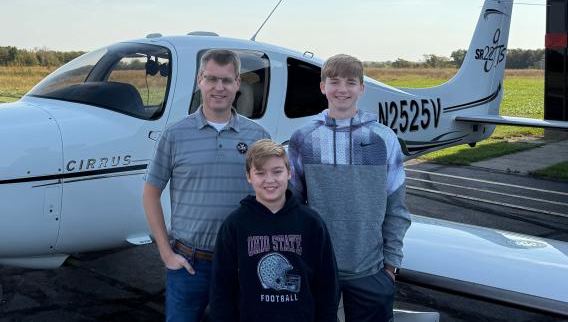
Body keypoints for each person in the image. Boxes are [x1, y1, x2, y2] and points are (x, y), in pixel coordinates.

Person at [143, 49, 271, 322]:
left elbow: (271, 198)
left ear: (238, 83)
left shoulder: (257, 136)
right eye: (211, 79)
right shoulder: (175, 135)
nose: (219, 87)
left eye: (227, 80)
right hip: (189, 263)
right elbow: (150, 194)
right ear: (200, 80)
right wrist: (166, 253)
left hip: (240, 262)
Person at [288, 53, 411, 322]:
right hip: (317, 271)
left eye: (350, 82)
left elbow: (397, 209)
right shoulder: (302, 139)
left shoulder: (384, 139)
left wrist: (390, 268)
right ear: (322, 87)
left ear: (362, 88)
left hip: (370, 272)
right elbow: (292, 208)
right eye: (334, 82)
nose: (342, 89)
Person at [210, 139, 339, 322]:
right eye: (260, 173)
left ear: (289, 173)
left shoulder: (312, 222)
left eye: (277, 172)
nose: (269, 180)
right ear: (248, 176)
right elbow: (221, 288)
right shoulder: (235, 225)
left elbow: (327, 284)